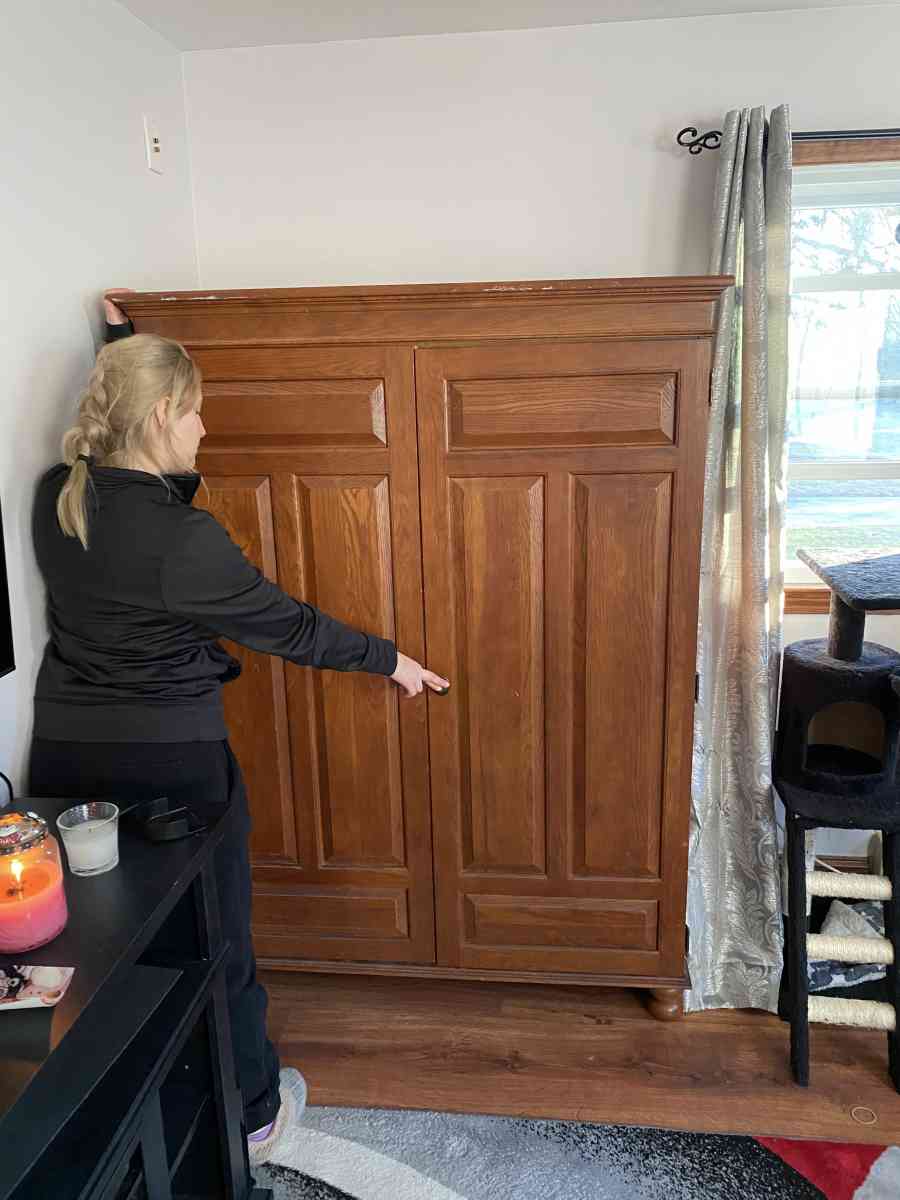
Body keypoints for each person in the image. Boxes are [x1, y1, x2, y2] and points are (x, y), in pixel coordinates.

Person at [29, 291, 450, 1164]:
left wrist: (120, 342)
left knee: (106, 945)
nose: (206, 430)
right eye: (194, 411)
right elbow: (288, 624)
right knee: (216, 933)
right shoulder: (185, 542)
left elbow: (128, 459)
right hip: (172, 768)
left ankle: (120, 1101)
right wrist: (390, 660)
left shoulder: (54, 501)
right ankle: (254, 1109)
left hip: (65, 761)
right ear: (158, 416)